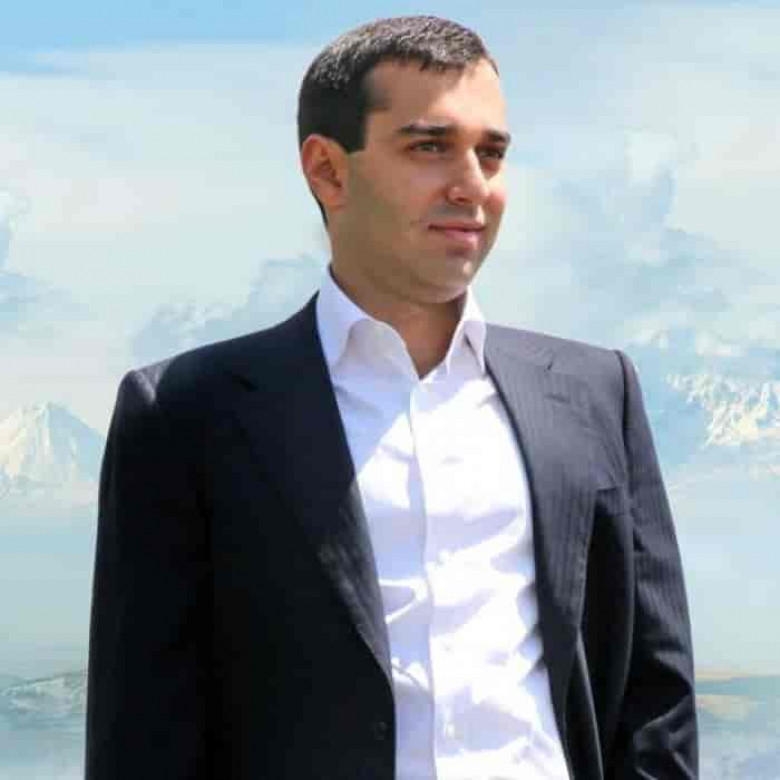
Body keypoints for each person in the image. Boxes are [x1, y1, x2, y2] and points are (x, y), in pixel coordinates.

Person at [85, 15, 698, 780]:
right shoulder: (186, 412)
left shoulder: (596, 392)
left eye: (492, 153)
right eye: (430, 146)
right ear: (328, 171)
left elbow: (655, 697)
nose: (472, 185)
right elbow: (142, 732)